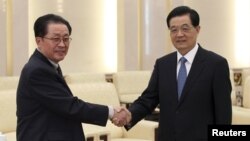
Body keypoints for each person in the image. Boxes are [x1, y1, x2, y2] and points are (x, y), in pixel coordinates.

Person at [114, 6, 232, 141]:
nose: (179, 34)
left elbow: (223, 114)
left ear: (198, 29)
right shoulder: (163, 64)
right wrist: (129, 114)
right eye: (174, 30)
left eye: (185, 28)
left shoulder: (216, 64)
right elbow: (148, 99)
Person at [16, 14, 130, 141]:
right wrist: (111, 112)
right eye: (56, 39)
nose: (62, 44)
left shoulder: (48, 65)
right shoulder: (37, 70)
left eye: (66, 39)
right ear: (39, 41)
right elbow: (71, 107)